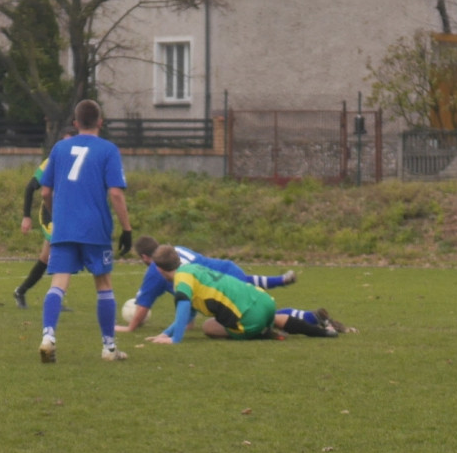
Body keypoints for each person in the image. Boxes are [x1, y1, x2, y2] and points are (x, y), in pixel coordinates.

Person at [38, 99, 132, 363]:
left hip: (64, 226)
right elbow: (115, 193)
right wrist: (127, 229)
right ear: (101, 122)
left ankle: (48, 337)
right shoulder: (108, 150)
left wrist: (55, 214)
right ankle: (109, 348)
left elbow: (46, 191)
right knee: (103, 283)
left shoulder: (59, 148)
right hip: (95, 228)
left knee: (59, 282)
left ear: (75, 123)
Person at [145, 245, 349, 344]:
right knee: (274, 317)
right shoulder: (195, 269)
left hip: (248, 318)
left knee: (209, 326)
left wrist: (174, 339)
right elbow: (188, 308)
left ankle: (260, 332)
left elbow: (182, 306)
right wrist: (165, 333)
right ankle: (324, 332)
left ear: (161, 270)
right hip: (265, 302)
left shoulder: (181, 279)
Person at [116, 235, 297, 332]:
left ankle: (309, 318)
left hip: (220, 286)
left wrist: (130, 327)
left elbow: (143, 306)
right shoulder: (174, 250)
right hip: (227, 270)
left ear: (145, 257)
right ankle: (282, 281)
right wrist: (188, 322)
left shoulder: (156, 270)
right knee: (252, 293)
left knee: (257, 315)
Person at [13, 126, 77, 309]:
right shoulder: (52, 161)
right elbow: (30, 187)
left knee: (46, 257)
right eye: (63, 142)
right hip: (50, 214)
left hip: (68, 213)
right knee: (60, 252)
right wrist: (26, 216)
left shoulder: (81, 163)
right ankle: (54, 298)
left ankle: (21, 291)